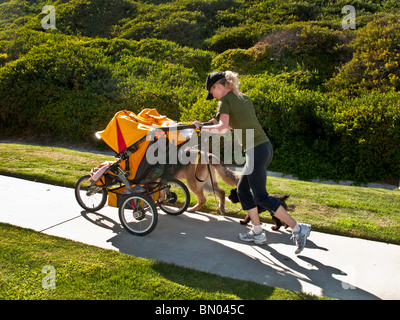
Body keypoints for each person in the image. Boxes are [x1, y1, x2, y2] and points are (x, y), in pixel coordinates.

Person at [193, 71, 311, 254]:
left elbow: (222, 129)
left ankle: (298, 229)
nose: (213, 96)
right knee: (242, 190)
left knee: (261, 197)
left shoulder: (224, 101)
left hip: (255, 151)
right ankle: (257, 233)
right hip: (263, 148)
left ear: (217, 86)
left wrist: (203, 127)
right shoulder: (244, 98)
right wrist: (215, 123)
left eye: (212, 91)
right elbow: (234, 125)